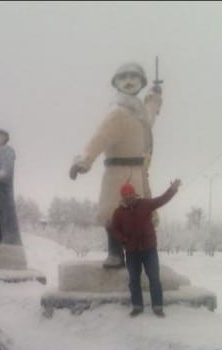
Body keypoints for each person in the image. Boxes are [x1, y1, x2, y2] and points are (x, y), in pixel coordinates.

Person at [69, 62, 163, 268]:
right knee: (113, 212)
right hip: (116, 171)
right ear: (116, 84)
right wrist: (85, 161)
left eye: (134, 77)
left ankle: (136, 254)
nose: (129, 81)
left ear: (142, 82)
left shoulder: (137, 112)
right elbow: (99, 139)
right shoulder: (117, 113)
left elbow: (148, 119)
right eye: (123, 78)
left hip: (138, 171)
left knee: (138, 214)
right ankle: (115, 253)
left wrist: (154, 100)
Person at [109, 179, 182, 317]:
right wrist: (124, 239)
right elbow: (114, 229)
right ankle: (137, 306)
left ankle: (157, 306)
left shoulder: (145, 204)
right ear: (122, 197)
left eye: (130, 193)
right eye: (125, 194)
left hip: (149, 250)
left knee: (154, 278)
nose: (128, 196)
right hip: (132, 252)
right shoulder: (118, 212)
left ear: (134, 193)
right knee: (134, 280)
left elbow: (162, 200)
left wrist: (172, 189)